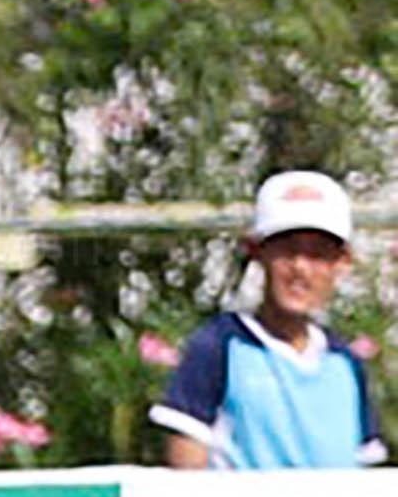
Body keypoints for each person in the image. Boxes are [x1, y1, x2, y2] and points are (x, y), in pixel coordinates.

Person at [153, 169, 386, 471]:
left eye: (318, 254)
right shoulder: (218, 347)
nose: (300, 268)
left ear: (341, 263)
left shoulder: (345, 362)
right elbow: (186, 468)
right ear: (257, 253)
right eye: (287, 251)